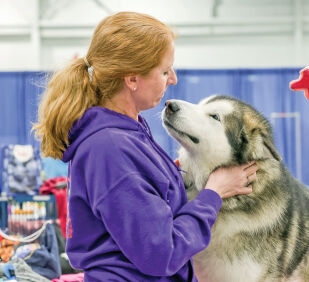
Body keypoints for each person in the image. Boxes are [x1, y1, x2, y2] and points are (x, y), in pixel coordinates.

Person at [33, 11, 258, 281]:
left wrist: (172, 177)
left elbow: (142, 201)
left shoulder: (128, 130)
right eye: (164, 71)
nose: (172, 78)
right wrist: (213, 193)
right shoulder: (110, 148)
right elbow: (160, 253)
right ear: (132, 79)